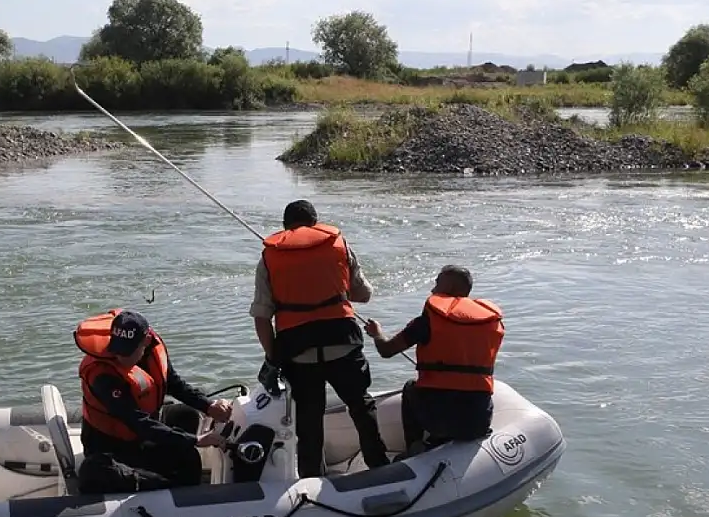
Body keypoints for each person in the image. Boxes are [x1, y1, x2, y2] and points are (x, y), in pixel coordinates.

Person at [250, 199, 390, 478]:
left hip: (298, 351)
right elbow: (362, 294)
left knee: (309, 419)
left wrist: (272, 356)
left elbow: (261, 316)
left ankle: (312, 477)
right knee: (360, 406)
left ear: (285, 226)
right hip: (342, 341)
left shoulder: (270, 256)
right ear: (316, 223)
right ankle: (379, 465)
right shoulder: (337, 243)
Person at [75, 308, 233, 494]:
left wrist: (208, 405)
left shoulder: (152, 348)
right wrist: (195, 440)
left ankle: (183, 497)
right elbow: (137, 422)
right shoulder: (102, 376)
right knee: (96, 470)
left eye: (126, 352)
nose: (119, 357)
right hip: (110, 444)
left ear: (146, 342)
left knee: (187, 423)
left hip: (140, 435)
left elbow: (173, 383)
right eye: (116, 350)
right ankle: (161, 491)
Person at [363, 265, 504, 456]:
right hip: (477, 421)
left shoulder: (427, 321)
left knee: (411, 387)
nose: (432, 289)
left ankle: (414, 448)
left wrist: (377, 334)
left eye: (437, 283)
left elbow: (387, 351)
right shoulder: (489, 322)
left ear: (452, 288)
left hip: (438, 420)